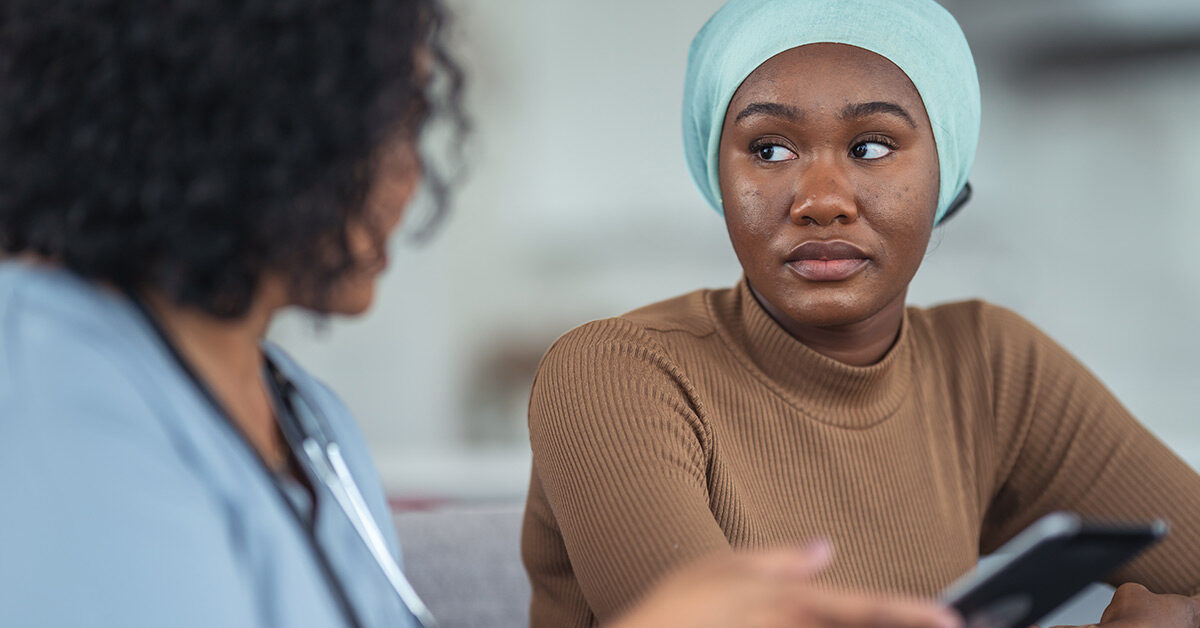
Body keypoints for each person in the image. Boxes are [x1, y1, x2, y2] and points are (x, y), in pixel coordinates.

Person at [0, 1, 963, 627]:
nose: (414, 182)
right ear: (255, 122)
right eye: (397, 122)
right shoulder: (44, 390)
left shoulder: (304, 414)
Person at [520, 0, 1200, 626]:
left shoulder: (991, 367)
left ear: (946, 173)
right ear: (717, 175)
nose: (822, 199)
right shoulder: (616, 374)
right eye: (769, 149)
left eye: (871, 146)